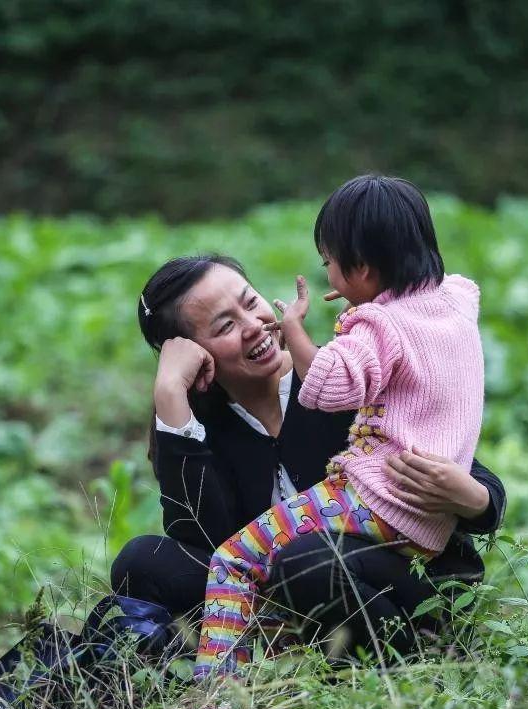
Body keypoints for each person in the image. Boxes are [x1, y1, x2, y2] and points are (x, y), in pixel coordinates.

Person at [110, 251, 505, 675]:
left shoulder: (342, 376)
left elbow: (469, 473)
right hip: (265, 605)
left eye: (249, 301)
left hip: (388, 588)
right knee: (141, 558)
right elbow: (200, 542)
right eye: (224, 326)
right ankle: (238, 669)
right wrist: (171, 396)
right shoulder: (197, 427)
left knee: (307, 559)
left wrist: (475, 499)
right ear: (193, 352)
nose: (252, 326)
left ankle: (399, 664)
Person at [192, 175, 485, 678]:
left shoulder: (377, 326)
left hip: (377, 500)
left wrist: (297, 331)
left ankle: (217, 700)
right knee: (289, 562)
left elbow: (327, 387)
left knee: (233, 560)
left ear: (363, 268)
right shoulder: (457, 299)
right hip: (424, 524)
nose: (327, 272)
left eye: (330, 261)